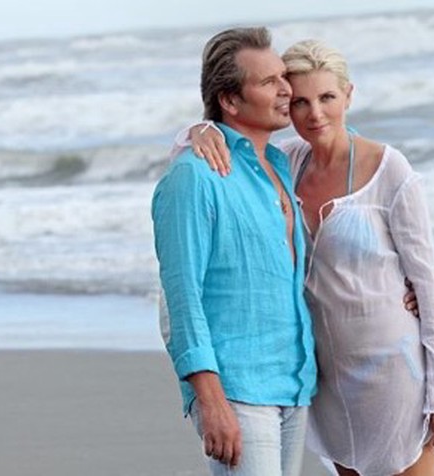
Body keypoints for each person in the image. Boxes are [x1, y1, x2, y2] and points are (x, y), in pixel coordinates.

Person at [183, 39, 434, 476]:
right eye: (300, 102)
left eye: (327, 97)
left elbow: (428, 287)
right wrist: (199, 131)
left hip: (392, 371)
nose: (315, 114)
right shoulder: (284, 163)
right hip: (325, 378)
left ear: (348, 95)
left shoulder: (389, 169)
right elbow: (214, 157)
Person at [151, 27, 317, 476]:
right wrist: (210, 399)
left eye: (283, 77)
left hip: (293, 382)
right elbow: (181, 297)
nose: (286, 90)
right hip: (236, 387)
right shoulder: (195, 176)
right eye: (268, 82)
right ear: (229, 99)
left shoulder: (283, 165)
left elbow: (342, 141)